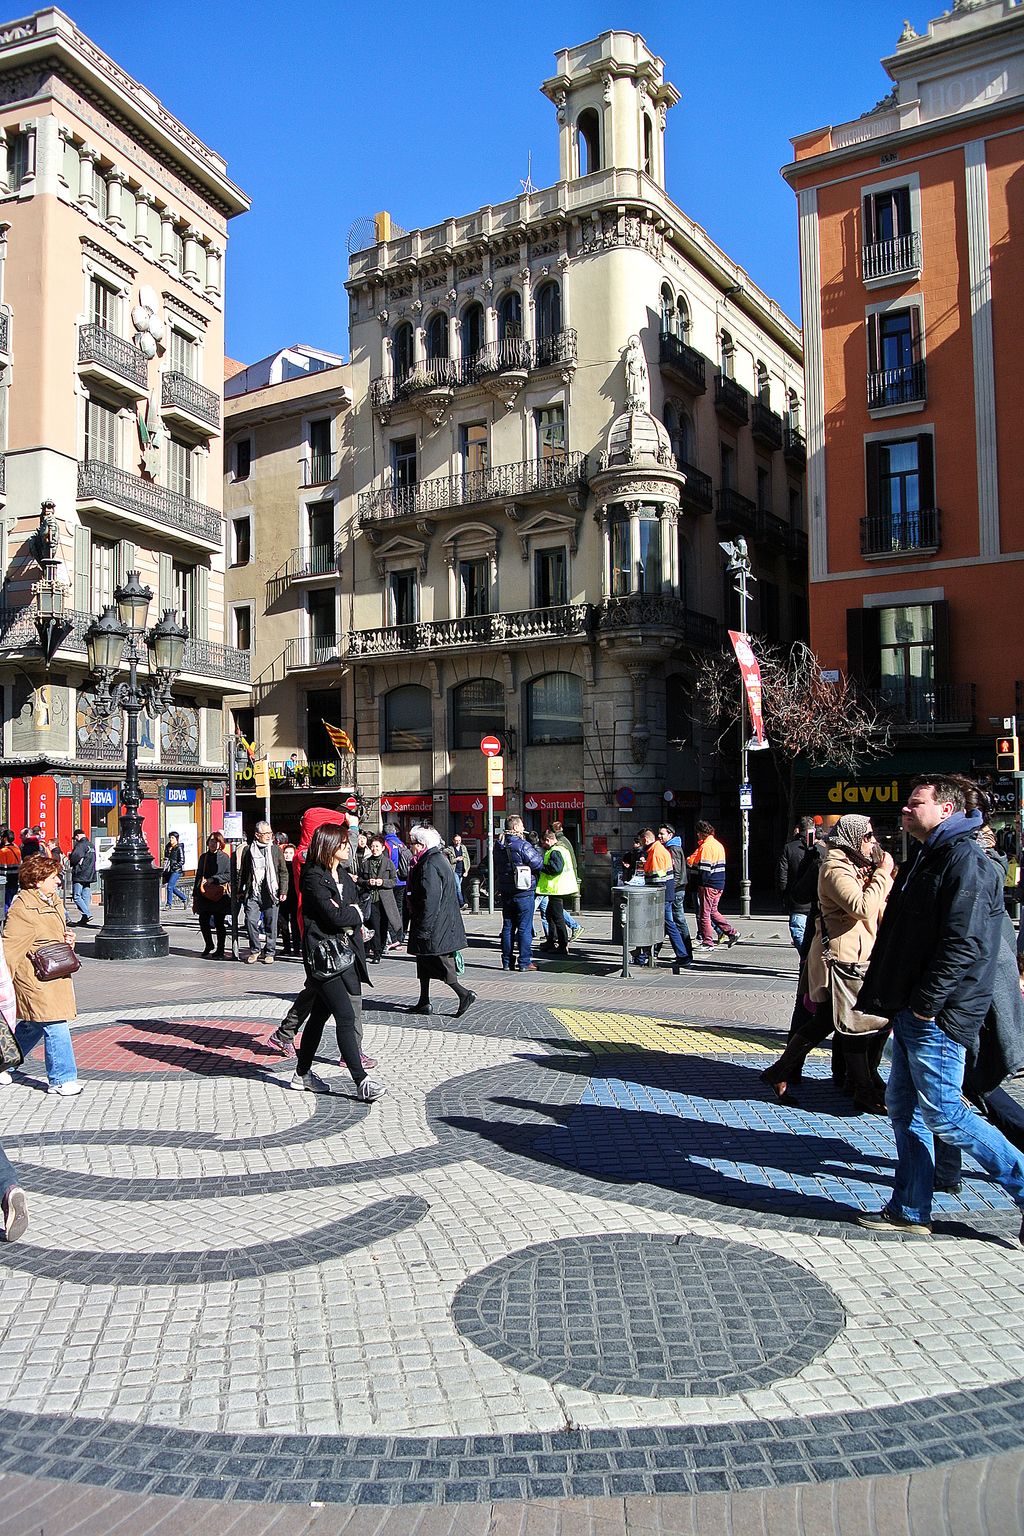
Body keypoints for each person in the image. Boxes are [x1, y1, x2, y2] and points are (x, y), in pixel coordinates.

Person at [855, 775, 1024, 1239]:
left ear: (946, 810)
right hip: (914, 1008)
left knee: (946, 1112)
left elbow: (963, 944)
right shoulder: (931, 854)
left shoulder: (966, 859)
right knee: (905, 1109)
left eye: (915, 803)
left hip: (939, 1013)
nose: (905, 810)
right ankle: (910, 1210)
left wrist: (927, 1006)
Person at [760, 814, 895, 1112]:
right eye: (868, 836)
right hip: (841, 959)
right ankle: (863, 1089)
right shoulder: (834, 868)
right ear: (854, 836)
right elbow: (861, 907)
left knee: (825, 1022)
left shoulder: (856, 867)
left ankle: (779, 1073)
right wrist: (883, 875)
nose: (873, 842)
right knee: (853, 1025)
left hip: (857, 957)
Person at [291, 822, 384, 1101]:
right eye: (343, 843)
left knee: (319, 1015)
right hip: (323, 957)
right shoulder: (314, 878)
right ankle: (361, 1079)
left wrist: (350, 913)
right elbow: (337, 917)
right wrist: (351, 913)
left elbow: (359, 911)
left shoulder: (343, 875)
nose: (348, 847)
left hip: (346, 954)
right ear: (329, 846)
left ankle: (302, 1073)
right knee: (345, 1014)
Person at [2, 852, 81, 1096]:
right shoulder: (22, 909)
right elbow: (9, 950)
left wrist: (69, 939)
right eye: (53, 877)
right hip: (34, 978)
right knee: (55, 1023)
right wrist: (5, 986)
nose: (58, 881)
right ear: (37, 880)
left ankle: (5, 1062)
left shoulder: (53, 901)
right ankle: (62, 1079)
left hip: (56, 973)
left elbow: (54, 934)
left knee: (35, 1025)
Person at [405, 824, 476, 1015]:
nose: (410, 846)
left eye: (412, 843)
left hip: (436, 925)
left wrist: (424, 928)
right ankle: (424, 1000)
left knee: (441, 962)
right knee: (424, 961)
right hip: (441, 923)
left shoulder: (429, 864)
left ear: (421, 845)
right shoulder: (438, 859)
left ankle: (463, 994)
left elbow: (431, 899)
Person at [493, 814, 544, 972]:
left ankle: (507, 961)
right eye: (521, 826)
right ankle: (524, 961)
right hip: (524, 890)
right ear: (515, 827)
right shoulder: (522, 845)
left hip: (506, 890)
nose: (523, 828)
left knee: (508, 926)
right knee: (524, 927)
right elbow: (537, 863)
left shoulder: (499, 845)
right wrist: (535, 847)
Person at [639, 827, 692, 972]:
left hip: (661, 896)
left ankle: (682, 955)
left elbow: (657, 878)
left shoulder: (656, 853)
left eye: (640, 841)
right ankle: (646, 954)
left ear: (645, 839)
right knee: (665, 925)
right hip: (666, 894)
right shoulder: (658, 850)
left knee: (668, 925)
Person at [239, 821, 289, 964]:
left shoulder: (275, 850)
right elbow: (244, 872)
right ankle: (255, 950)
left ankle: (270, 952)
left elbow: (283, 872)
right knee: (250, 921)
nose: (269, 836)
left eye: (270, 833)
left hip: (270, 892)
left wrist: (283, 890)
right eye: (265, 833)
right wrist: (239, 890)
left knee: (271, 923)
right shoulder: (248, 850)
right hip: (253, 891)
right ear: (257, 835)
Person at [687, 820, 739, 949]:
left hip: (708, 885)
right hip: (719, 883)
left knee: (704, 914)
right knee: (713, 911)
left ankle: (708, 942)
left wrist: (701, 884)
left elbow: (705, 870)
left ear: (700, 833)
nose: (697, 835)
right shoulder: (718, 845)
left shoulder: (706, 847)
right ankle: (731, 932)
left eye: (698, 833)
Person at [358, 832, 401, 962]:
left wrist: (382, 882)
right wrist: (367, 882)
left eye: (377, 846)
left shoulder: (388, 863)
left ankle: (381, 947)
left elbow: (394, 881)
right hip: (371, 899)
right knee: (375, 926)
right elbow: (360, 880)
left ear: (382, 848)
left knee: (384, 925)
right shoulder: (366, 863)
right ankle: (376, 953)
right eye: (373, 846)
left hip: (385, 900)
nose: (374, 849)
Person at [537, 827, 579, 955]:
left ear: (549, 840)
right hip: (556, 889)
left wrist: (541, 866)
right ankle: (551, 940)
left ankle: (562, 944)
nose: (542, 845)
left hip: (557, 889)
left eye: (543, 842)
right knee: (550, 915)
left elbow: (556, 869)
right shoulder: (561, 849)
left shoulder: (555, 851)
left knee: (557, 917)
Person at [778, 817, 818, 950]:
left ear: (798, 829)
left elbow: (782, 874)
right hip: (817, 900)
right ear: (814, 830)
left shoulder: (789, 848)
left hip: (797, 900)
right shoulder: (822, 849)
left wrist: (783, 894)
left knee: (798, 932)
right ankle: (809, 960)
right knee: (815, 935)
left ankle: (805, 958)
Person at [193, 831, 231, 959]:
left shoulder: (224, 858)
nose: (213, 843)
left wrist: (213, 879)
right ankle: (209, 944)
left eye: (216, 841)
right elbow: (199, 876)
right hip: (204, 893)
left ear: (220, 843)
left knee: (219, 923)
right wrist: (195, 896)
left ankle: (220, 949)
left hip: (219, 894)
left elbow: (229, 875)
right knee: (203, 920)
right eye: (211, 841)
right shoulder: (203, 857)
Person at [658, 824, 691, 958]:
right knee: (668, 921)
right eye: (658, 833)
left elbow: (676, 872)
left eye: (662, 834)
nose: (659, 836)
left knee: (677, 921)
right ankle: (654, 952)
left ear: (670, 835)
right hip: (676, 889)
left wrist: (670, 888)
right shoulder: (671, 848)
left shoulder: (673, 849)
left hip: (676, 890)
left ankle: (686, 952)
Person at [550, 821, 584, 944]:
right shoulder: (565, 840)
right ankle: (552, 936)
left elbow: (558, 866)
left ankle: (573, 928)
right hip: (565, 878)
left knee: (554, 909)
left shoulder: (559, 844)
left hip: (559, 880)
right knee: (551, 909)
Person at [383, 823, 413, 945]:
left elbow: (387, 864)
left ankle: (393, 937)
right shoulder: (401, 843)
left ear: (384, 833)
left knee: (390, 910)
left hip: (392, 881)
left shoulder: (386, 844)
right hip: (403, 880)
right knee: (400, 909)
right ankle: (400, 936)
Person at [67, 828, 97, 927]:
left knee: (76, 896)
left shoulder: (80, 845)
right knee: (85, 895)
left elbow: (75, 857)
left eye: (75, 838)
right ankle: (85, 917)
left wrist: (70, 857)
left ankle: (87, 914)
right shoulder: (91, 845)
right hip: (89, 873)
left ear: (77, 836)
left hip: (80, 873)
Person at [162, 831, 188, 911]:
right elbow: (166, 857)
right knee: (171, 887)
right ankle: (184, 898)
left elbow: (182, 861)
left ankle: (168, 904)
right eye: (170, 837)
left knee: (169, 886)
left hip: (176, 870)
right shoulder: (168, 847)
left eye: (172, 838)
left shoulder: (179, 847)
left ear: (177, 839)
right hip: (169, 869)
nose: (171, 839)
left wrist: (174, 865)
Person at [445, 833, 471, 909]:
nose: (458, 842)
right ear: (453, 841)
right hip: (454, 871)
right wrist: (456, 859)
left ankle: (454, 903)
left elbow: (467, 860)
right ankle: (462, 903)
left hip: (462, 871)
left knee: (457, 888)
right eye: (456, 840)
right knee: (458, 887)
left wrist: (467, 871)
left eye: (459, 840)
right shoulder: (451, 849)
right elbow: (450, 861)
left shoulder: (463, 848)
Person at [0, 829, 20, 917]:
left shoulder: (3, 851)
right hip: (15, 879)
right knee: (12, 901)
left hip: (6, 881)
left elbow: (2, 868)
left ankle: (4, 920)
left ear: (5, 838)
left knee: (5, 902)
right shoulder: (17, 849)